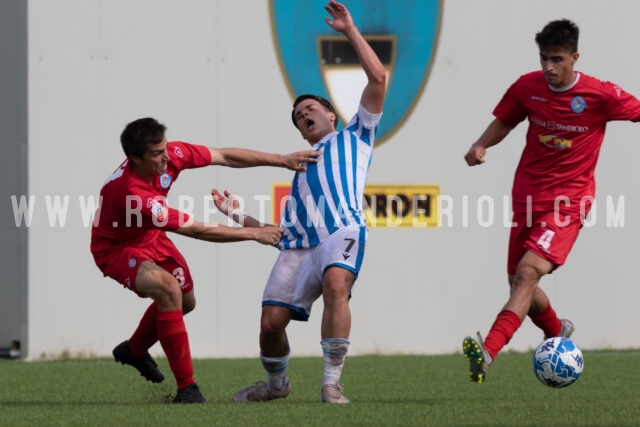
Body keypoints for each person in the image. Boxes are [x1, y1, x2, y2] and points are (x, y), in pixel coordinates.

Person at [212, 0, 386, 404]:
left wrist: (349, 30)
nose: (303, 114)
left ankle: (330, 382)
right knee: (270, 324)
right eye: (297, 116)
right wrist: (235, 213)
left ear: (330, 114)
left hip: (342, 230)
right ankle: (277, 386)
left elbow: (377, 76)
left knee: (335, 285)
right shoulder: (300, 170)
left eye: (310, 108)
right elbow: (278, 231)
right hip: (298, 246)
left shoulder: (355, 135)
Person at [90, 117, 320, 403]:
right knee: (168, 289)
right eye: (157, 154)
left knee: (186, 301)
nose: (166, 157)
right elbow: (198, 231)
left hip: (149, 237)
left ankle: (134, 350)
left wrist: (281, 159)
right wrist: (252, 233)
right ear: (134, 158)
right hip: (116, 247)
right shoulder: (134, 194)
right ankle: (188, 389)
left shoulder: (170, 154)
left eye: (164, 148)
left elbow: (223, 155)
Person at [462, 19, 640, 383]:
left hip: (568, 203)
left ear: (575, 57)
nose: (548, 68)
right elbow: (505, 120)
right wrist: (481, 144)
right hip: (526, 198)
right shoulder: (528, 87)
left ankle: (488, 350)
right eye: (543, 58)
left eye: (557, 59)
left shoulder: (600, 94)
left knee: (527, 273)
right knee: (518, 280)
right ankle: (558, 329)